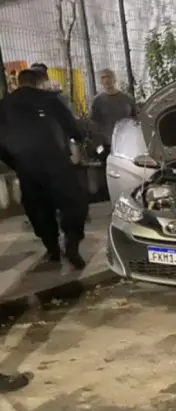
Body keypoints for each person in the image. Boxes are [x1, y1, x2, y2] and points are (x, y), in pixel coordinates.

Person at [0, 69, 88, 269]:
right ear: (39, 82)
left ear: (17, 83)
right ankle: (72, 246)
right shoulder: (50, 99)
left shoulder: (3, 106)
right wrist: (76, 142)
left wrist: (17, 163)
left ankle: (52, 249)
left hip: (26, 166)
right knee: (73, 203)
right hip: (55, 162)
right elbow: (73, 129)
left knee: (38, 208)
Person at [90, 69, 136, 161]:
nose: (106, 80)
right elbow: (94, 124)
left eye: (109, 77)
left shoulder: (127, 99)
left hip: (126, 143)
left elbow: (135, 119)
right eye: (103, 77)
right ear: (100, 81)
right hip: (107, 144)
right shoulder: (97, 101)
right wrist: (98, 146)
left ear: (114, 79)